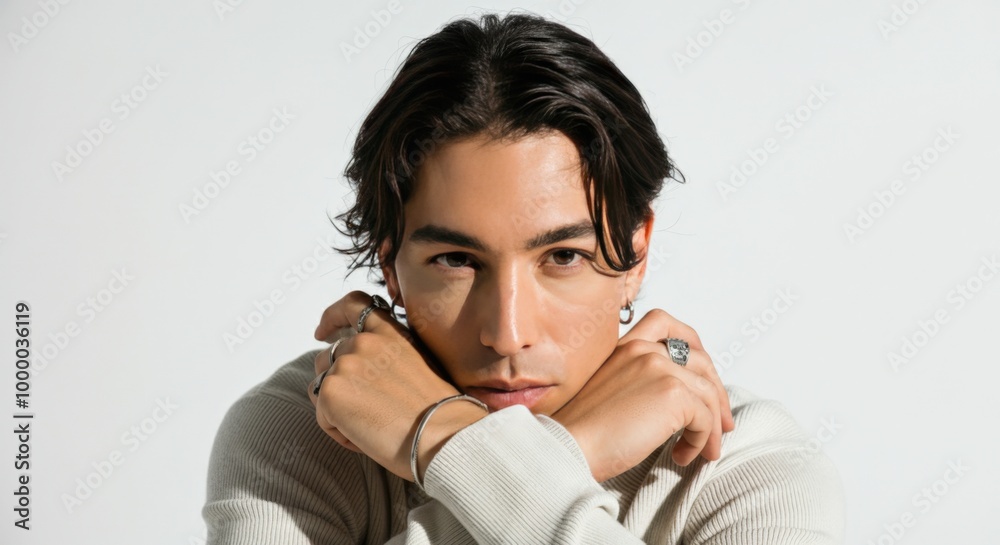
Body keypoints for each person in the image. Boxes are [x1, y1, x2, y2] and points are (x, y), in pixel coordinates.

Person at [202, 11, 845, 544]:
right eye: (456, 261)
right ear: (391, 265)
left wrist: (445, 443)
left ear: (636, 254)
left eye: (563, 256)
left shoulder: (746, 469)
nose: (507, 334)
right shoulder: (300, 434)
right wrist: (568, 453)